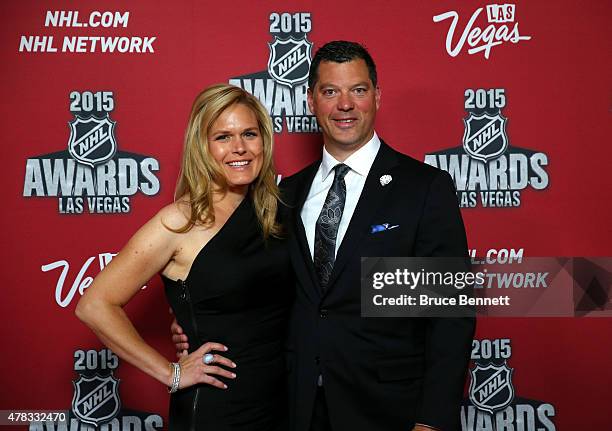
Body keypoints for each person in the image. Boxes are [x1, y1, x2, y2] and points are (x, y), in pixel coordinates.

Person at [173, 41, 475, 431]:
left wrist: (431, 420)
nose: (345, 104)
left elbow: (451, 314)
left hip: (388, 409)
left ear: (377, 97)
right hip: (294, 406)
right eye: (330, 91)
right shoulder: (284, 195)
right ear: (311, 101)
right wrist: (189, 317)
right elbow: (244, 275)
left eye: (359, 90)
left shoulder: (423, 188)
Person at [76, 84, 294, 431]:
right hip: (218, 406)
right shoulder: (178, 221)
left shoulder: (279, 212)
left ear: (264, 141)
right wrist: (172, 373)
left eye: (249, 134)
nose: (239, 148)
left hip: (283, 400)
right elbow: (95, 305)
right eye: (223, 137)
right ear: (202, 147)